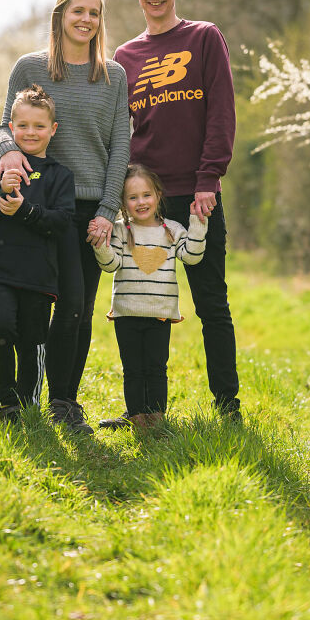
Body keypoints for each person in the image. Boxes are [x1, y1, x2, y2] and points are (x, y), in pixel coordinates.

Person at [0, 0, 130, 433]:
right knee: (34, 306)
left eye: (94, 13)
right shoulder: (29, 67)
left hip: (87, 210)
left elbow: (120, 147)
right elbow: (4, 126)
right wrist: (9, 150)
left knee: (77, 307)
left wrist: (108, 210)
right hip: (35, 205)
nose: (86, 20)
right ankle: (18, 399)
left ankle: (65, 403)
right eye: (78, 11)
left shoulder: (112, 76)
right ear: (60, 16)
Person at [113, 0, 241, 421]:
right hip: (146, 204)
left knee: (211, 304)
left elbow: (221, 113)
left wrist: (209, 178)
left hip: (197, 197)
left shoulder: (204, 38)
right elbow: (119, 135)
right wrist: (121, 198)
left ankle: (228, 406)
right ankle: (146, 410)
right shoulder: (124, 58)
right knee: (141, 308)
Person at [0, 85, 75, 424]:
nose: (31, 133)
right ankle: (7, 404)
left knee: (32, 341)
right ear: (11, 128)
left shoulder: (60, 175)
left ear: (52, 130)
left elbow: (61, 222)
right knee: (0, 327)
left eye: (39, 126)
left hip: (39, 276)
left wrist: (25, 210)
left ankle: (28, 406)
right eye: (23, 126)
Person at [93, 164, 207, 430]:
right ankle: (136, 419)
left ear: (157, 194)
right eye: (132, 198)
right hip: (126, 313)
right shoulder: (121, 230)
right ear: (123, 202)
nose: (141, 202)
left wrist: (198, 224)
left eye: (146, 195)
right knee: (132, 368)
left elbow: (192, 256)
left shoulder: (173, 229)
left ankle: (156, 420)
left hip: (160, 313)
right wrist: (101, 246)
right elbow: (111, 265)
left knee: (156, 368)